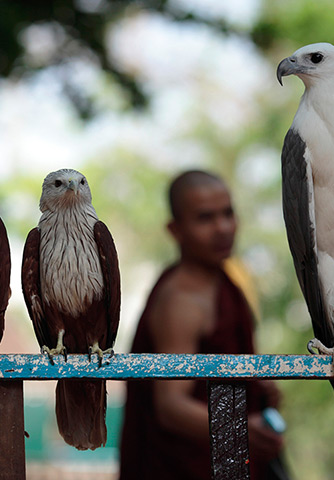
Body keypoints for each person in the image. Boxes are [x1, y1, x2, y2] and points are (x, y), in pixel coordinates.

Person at [118, 170, 284, 480]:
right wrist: (241, 429)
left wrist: (257, 388)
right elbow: (170, 406)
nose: (222, 228)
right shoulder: (180, 300)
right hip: (180, 469)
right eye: (205, 218)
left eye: (228, 213)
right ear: (175, 229)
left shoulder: (226, 286)